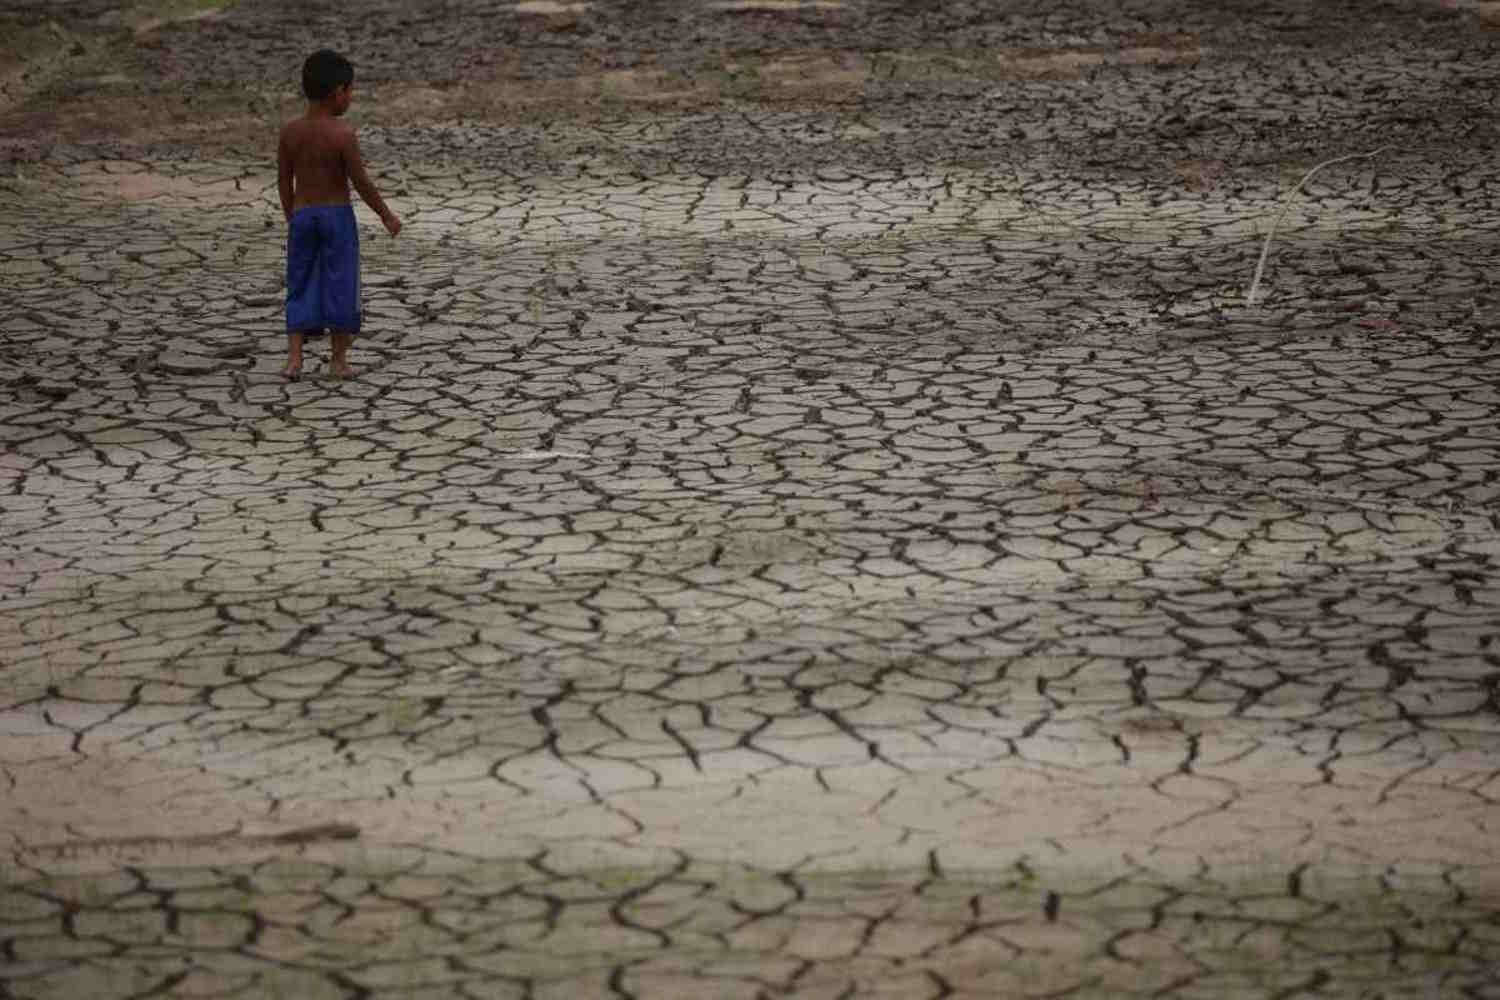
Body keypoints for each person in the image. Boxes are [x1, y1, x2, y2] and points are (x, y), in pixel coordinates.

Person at [277, 49, 401, 380]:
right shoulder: (342, 135)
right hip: (336, 217)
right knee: (341, 284)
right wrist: (386, 215)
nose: (351, 97)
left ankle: (294, 360)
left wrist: (292, 216)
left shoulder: (290, 133)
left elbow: (283, 182)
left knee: (299, 282)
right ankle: (338, 360)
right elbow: (361, 182)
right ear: (337, 93)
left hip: (303, 216)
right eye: (350, 91)